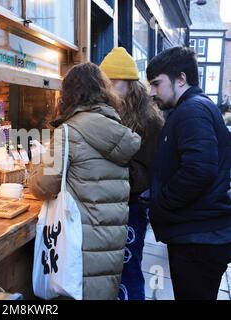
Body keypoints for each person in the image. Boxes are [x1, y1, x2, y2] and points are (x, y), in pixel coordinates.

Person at [30, 62, 142, 300]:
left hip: (78, 245)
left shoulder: (67, 132)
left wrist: (35, 166)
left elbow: (43, 186)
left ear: (68, 95)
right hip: (110, 244)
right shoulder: (117, 128)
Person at [146, 46, 231, 300]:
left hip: (199, 240)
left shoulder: (192, 110)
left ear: (181, 79)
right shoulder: (194, 108)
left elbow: (199, 169)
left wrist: (163, 202)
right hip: (200, 235)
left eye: (156, 84)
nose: (151, 92)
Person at [100, 47, 164, 300]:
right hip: (107, 205)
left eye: (115, 82)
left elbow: (150, 173)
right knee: (108, 270)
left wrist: (114, 166)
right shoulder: (105, 111)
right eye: (106, 83)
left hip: (133, 207)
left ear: (131, 84)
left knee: (129, 268)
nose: (110, 88)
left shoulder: (150, 120)